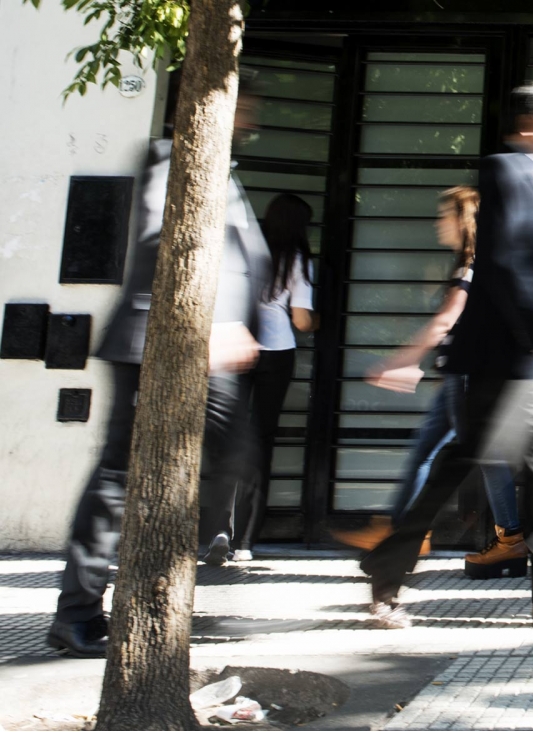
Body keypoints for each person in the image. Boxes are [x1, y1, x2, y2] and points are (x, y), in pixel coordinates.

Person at [359, 81, 533, 629]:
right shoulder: (507, 171)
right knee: (458, 468)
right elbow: (504, 263)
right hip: (507, 364)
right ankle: (387, 572)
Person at [46, 95, 272, 657]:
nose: (252, 116)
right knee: (119, 474)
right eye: (245, 105)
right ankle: (79, 613)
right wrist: (214, 324)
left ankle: (156, 595)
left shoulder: (221, 170)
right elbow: (161, 243)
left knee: (229, 459)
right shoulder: (172, 160)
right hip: (163, 344)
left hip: (209, 350)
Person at [332, 187, 525, 579]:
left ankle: (505, 538)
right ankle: (404, 531)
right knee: (436, 452)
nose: (438, 224)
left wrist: (399, 361)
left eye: (443, 216)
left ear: (463, 220)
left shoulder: (472, 267)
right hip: (456, 374)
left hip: (466, 376)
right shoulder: (472, 265)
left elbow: (445, 322)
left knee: (482, 455)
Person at [232, 193, 318, 562]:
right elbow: (301, 320)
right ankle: (244, 540)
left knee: (228, 437)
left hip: (235, 347)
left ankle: (219, 527)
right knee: (260, 440)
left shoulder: (245, 252)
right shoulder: (296, 260)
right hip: (277, 351)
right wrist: (318, 322)